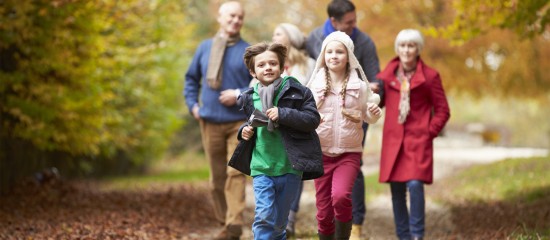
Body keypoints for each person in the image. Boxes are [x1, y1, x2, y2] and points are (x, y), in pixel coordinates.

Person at [306, 1, 383, 238]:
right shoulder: (314, 85)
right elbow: (304, 112)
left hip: (348, 153)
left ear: (349, 56)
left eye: (339, 52)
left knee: (340, 196)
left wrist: (373, 111)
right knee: (323, 209)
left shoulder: (359, 86)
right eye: (329, 52)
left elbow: (369, 113)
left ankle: (348, 233)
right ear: (323, 55)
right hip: (320, 153)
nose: (334, 56)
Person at [237, 42, 324, 239]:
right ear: (252, 72)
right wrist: (244, 131)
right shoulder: (249, 98)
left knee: (279, 222)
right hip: (261, 166)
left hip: (289, 167)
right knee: (264, 215)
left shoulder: (298, 92)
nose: (267, 67)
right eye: (261, 65)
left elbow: (312, 120)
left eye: (272, 63)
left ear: (282, 66)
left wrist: (283, 113)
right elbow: (248, 123)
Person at [183, 2, 251, 239]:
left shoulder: (248, 51)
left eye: (240, 17)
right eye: (232, 16)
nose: (236, 20)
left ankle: (234, 224)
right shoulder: (204, 48)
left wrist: (238, 94)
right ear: (220, 17)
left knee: (235, 173)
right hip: (209, 121)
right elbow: (191, 79)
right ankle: (226, 222)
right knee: (216, 179)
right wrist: (193, 106)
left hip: (238, 123)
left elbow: (259, 84)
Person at [377, 29, 450, 240]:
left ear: (418, 49)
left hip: (418, 140)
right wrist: (371, 95)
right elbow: (377, 104)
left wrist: (429, 132)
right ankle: (404, 236)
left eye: (411, 46)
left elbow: (443, 110)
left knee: (415, 184)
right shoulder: (386, 77)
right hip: (393, 141)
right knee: (397, 189)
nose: (406, 50)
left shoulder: (430, 77)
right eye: (402, 45)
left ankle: (417, 235)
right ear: (397, 49)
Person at [270, 22, 316, 236]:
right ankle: (274, 217)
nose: (274, 36)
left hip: (297, 127)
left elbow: (314, 97)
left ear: (291, 37)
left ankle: (289, 219)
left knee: (294, 172)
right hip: (272, 129)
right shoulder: (269, 62)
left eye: (278, 33)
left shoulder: (309, 65)